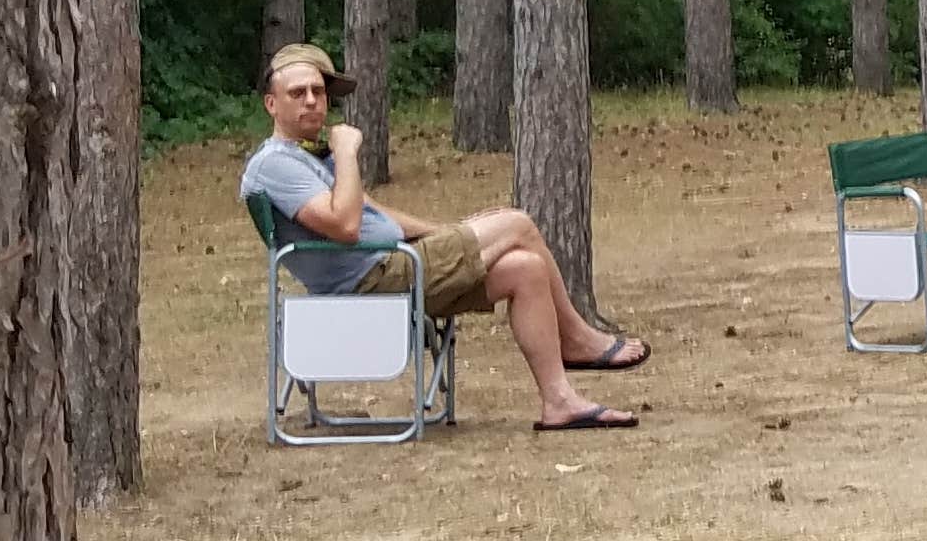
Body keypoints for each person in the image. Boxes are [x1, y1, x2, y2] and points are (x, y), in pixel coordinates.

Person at [241, 44, 645, 431]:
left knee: (525, 269)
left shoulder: (308, 156)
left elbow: (374, 214)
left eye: (318, 91)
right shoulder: (275, 164)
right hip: (372, 280)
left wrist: (447, 233)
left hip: (395, 265)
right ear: (271, 104)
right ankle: (576, 339)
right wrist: (346, 153)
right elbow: (346, 228)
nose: (312, 101)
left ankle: (559, 402)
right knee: (517, 223)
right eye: (298, 93)